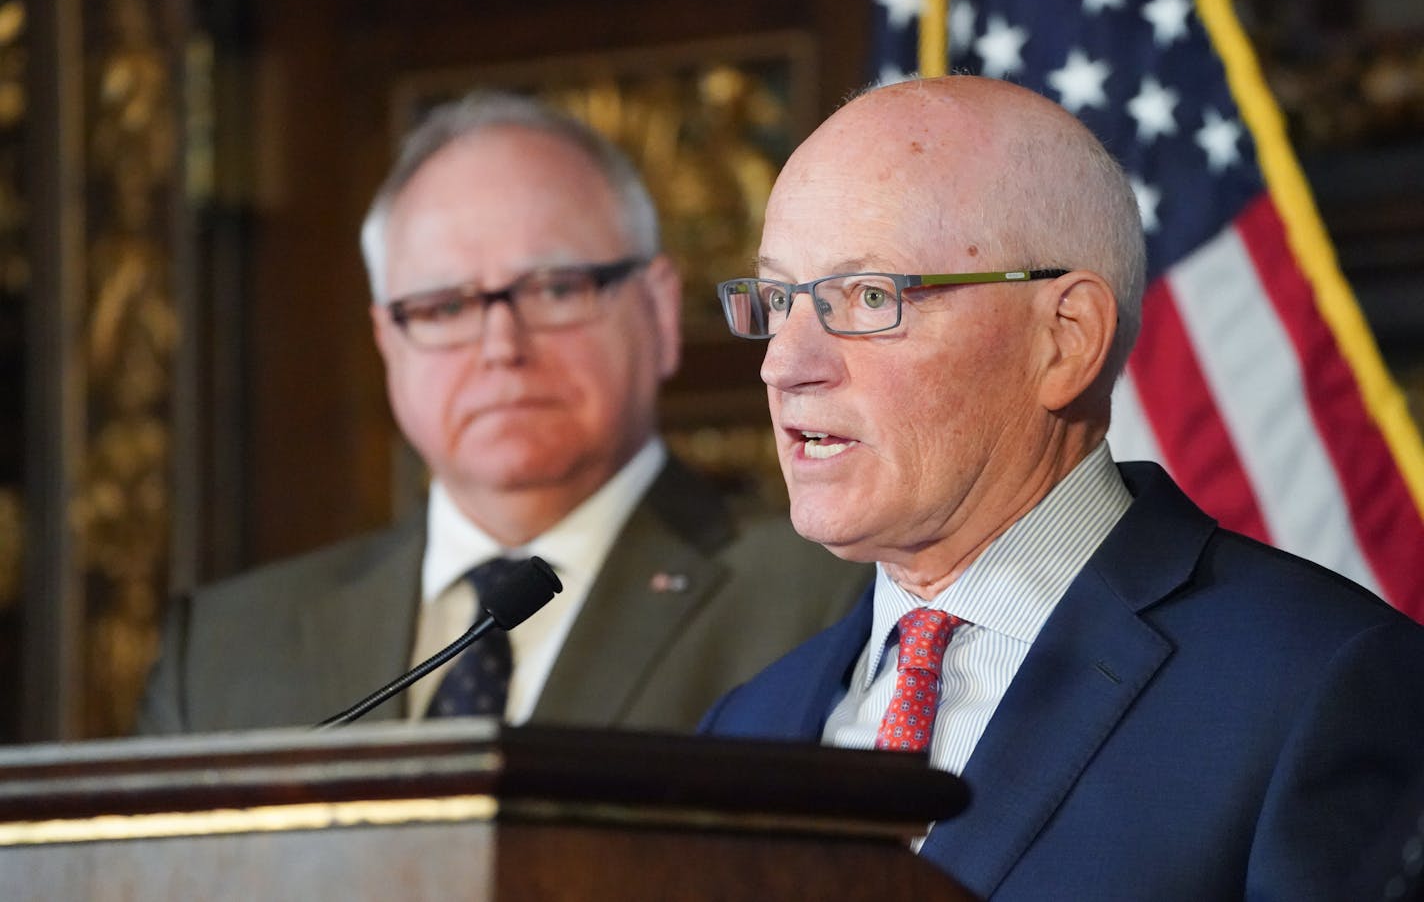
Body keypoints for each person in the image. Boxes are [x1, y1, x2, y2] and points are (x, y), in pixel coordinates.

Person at [699, 75, 1424, 900]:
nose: (783, 364)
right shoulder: (746, 723)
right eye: (777, 299)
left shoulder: (1315, 687)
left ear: (1066, 339)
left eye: (869, 296)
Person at [138, 90, 869, 734]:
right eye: (444, 305)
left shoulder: (826, 600)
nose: (500, 346)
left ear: (659, 311)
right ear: (387, 339)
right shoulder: (227, 648)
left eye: (554, 289)